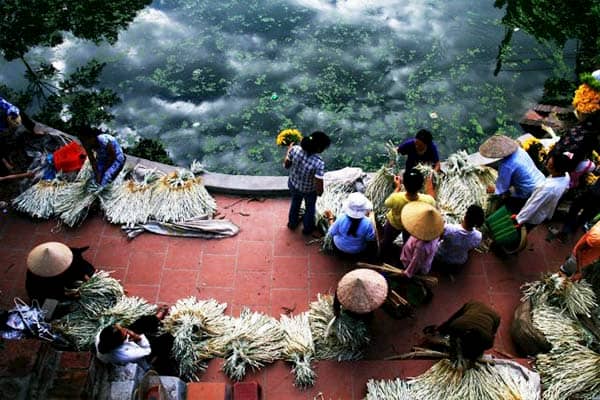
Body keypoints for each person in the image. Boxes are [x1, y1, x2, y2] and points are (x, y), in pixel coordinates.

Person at [95, 307, 174, 373]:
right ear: (120, 342)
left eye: (121, 328)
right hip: (142, 358)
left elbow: (123, 331)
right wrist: (137, 338)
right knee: (167, 339)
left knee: (141, 323)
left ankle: (156, 318)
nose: (125, 330)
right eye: (125, 334)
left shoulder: (101, 336)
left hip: (126, 345)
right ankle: (155, 361)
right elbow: (147, 350)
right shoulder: (127, 355)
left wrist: (128, 332)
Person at [381, 169, 436, 263]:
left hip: (394, 224)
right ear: (421, 185)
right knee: (407, 242)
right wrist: (429, 187)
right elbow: (432, 200)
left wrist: (397, 187)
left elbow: (387, 203)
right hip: (410, 227)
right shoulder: (426, 200)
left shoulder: (396, 198)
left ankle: (383, 255)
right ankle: (405, 258)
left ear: (404, 184)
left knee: (387, 240)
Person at [480, 134, 545, 213]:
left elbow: (501, 188)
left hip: (530, 191)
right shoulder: (519, 150)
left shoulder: (506, 165)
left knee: (505, 201)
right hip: (541, 180)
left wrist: (492, 189)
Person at [284, 130, 331, 235]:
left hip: (293, 184)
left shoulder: (295, 150)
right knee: (310, 208)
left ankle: (292, 223)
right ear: (319, 149)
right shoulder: (318, 163)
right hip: (309, 191)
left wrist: (288, 150)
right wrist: (320, 193)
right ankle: (307, 229)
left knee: (295, 203)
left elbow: (286, 165)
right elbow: (318, 185)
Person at [515, 152, 570, 230]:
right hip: (544, 211)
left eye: (550, 165)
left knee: (523, 230)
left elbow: (534, 205)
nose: (547, 165)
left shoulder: (549, 188)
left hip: (533, 216)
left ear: (557, 170)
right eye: (548, 162)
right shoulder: (566, 176)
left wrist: (519, 219)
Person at [25, 242, 95, 304]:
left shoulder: (69, 255)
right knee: (50, 309)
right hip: (50, 292)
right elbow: (50, 293)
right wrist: (67, 294)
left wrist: (85, 277)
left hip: (64, 280)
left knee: (90, 271)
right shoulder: (37, 278)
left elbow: (80, 265)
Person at [434, 301, 500, 362]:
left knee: (474, 352)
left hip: (493, 317)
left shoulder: (488, 340)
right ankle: (440, 330)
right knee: (451, 321)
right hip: (473, 306)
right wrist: (456, 354)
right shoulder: (457, 325)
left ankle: (472, 351)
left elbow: (490, 338)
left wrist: (474, 357)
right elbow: (453, 341)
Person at [325, 192, 377, 261]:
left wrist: (331, 218)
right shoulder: (367, 223)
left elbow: (331, 232)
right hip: (357, 251)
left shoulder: (341, 218)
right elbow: (370, 238)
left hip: (339, 248)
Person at [398, 201, 444, 278]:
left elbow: (416, 262)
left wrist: (407, 273)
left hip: (409, 262)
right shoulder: (436, 231)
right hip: (420, 257)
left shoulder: (421, 246)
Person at [435, 205, 485, 269]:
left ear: (465, 216)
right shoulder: (478, 236)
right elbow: (470, 250)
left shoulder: (449, 228)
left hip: (441, 257)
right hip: (459, 261)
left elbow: (438, 238)